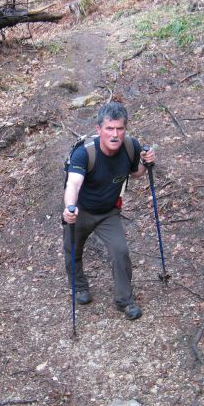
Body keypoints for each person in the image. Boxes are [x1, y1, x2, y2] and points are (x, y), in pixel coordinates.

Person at [62, 102, 155, 320]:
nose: (115, 134)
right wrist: (69, 209)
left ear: (125, 129)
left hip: (108, 212)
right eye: (109, 129)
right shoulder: (84, 154)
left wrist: (146, 161)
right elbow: (73, 184)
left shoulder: (130, 146)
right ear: (99, 130)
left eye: (120, 129)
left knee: (120, 251)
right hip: (81, 210)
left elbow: (137, 173)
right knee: (72, 250)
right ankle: (80, 287)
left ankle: (125, 300)